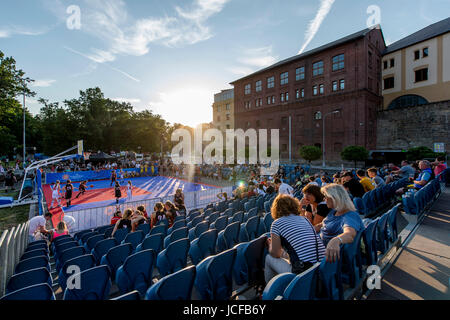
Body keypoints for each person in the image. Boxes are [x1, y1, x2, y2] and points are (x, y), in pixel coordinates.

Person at [265, 194, 325, 283]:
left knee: (269, 258)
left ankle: (269, 292)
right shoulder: (304, 219)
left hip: (304, 272)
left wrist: (270, 246)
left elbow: (275, 254)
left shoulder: (276, 224)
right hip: (322, 266)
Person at [316, 184, 365, 262]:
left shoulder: (350, 216)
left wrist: (336, 240)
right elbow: (322, 224)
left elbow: (350, 234)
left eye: (326, 197)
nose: (324, 199)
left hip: (327, 259)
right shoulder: (334, 212)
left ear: (335, 198)